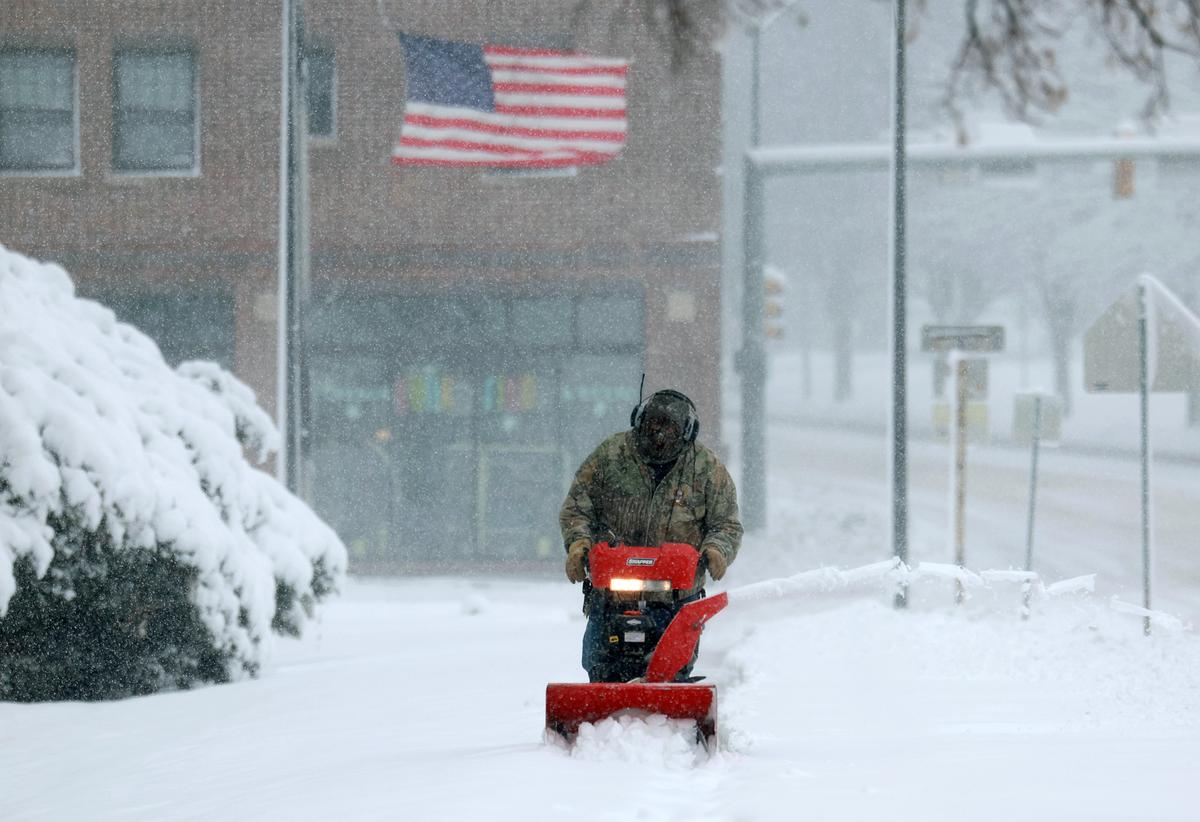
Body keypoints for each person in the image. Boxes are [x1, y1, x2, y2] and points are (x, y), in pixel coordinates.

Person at [558, 388, 743, 680]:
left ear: (686, 433)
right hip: (612, 594)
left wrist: (717, 550)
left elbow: (726, 524)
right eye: (654, 423)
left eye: (670, 427)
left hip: (676, 597)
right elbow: (578, 507)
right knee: (601, 665)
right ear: (640, 421)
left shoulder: (707, 470)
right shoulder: (610, 456)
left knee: (672, 670)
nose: (659, 433)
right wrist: (578, 544)